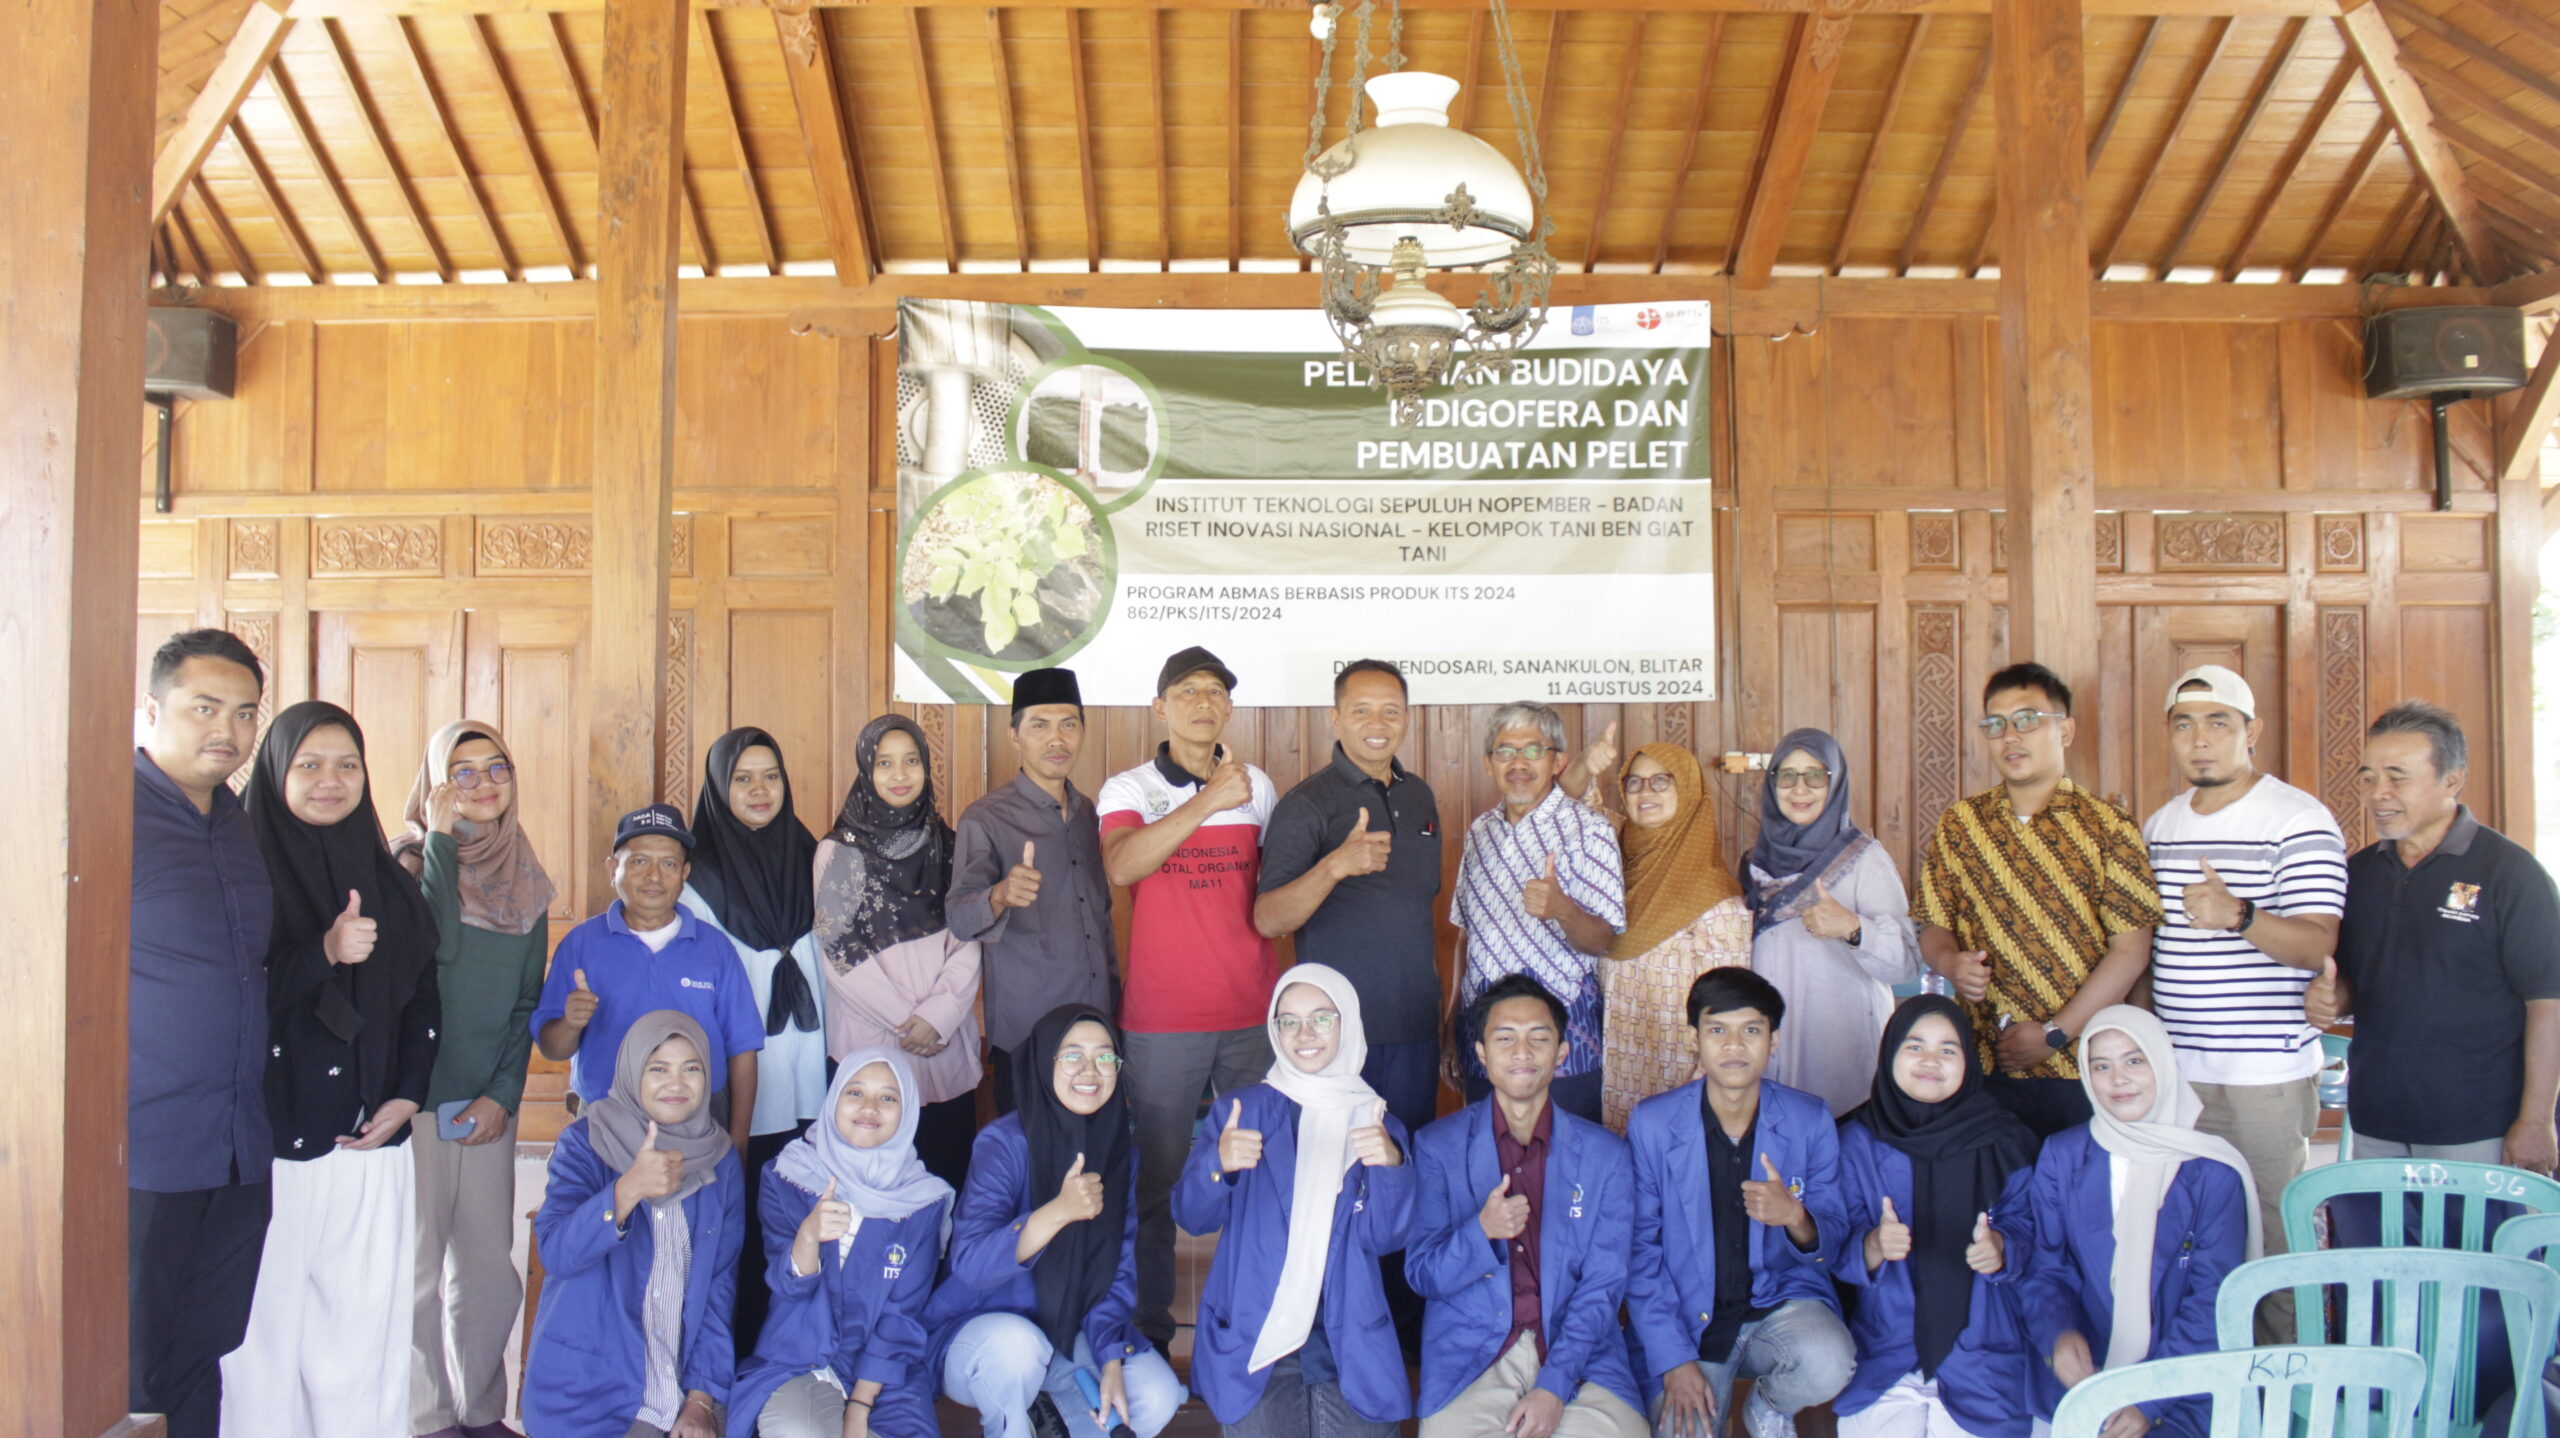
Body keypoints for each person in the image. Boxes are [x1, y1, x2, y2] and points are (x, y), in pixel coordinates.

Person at [223, 700, 444, 1438]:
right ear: (277, 770)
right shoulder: (240, 873)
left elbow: (421, 999)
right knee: (264, 1336)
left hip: (371, 1140)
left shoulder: (393, 883)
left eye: (347, 764)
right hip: (272, 1146)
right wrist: (321, 952)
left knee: (364, 1331)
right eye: (309, 765)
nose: (330, 780)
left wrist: (409, 1095)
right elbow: (231, 993)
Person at [2137, 666, 2344, 1344]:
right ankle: (2222, 1394)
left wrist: (2240, 915)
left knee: (2275, 1242)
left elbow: (2319, 944)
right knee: (2201, 1240)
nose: (2200, 741)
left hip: (2265, 1077)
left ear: (2251, 731)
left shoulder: (2297, 818)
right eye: (2184, 724)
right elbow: (2151, 951)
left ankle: (2295, 1391)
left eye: (2218, 722)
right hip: (2181, 1074)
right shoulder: (2161, 826)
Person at [1097, 645, 1284, 1352]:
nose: (1203, 703)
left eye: (1215, 692)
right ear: (1160, 707)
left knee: (1254, 1176)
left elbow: (1276, 888)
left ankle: (1249, 1320)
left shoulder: (1258, 785)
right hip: (1161, 1023)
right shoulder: (1128, 788)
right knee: (1157, 1186)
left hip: (1249, 1017)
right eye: (1187, 691)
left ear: (1229, 707)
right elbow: (1122, 866)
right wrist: (1207, 800)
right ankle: (1147, 1329)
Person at [1255, 658, 1443, 1354]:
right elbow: (1270, 917)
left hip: (1413, 1033)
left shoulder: (1421, 798)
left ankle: (1399, 1335)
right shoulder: (1308, 805)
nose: (1377, 723)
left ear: (1406, 718)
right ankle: (1333, 1335)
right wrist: (1336, 864)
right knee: (1336, 1188)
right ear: (1334, 719)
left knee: (1402, 1182)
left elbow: (1416, 919)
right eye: (1361, 710)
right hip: (1330, 1046)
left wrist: (1440, 1010)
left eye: (1390, 710)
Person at [2308, 700, 2560, 1172]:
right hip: (2377, 1120)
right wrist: (2331, 999)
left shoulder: (2510, 873)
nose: (2377, 793)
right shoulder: (2358, 874)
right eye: (2367, 777)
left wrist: (2535, 1121)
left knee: (2476, 1248)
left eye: (2397, 777)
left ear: (2452, 780)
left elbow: (2549, 1001)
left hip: (2480, 1126)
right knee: (2378, 1247)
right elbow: (2352, 983)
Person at [128, 628, 274, 1438]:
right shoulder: (104, 811)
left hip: (234, 1146)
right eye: (204, 707)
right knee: (129, 1371)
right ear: (153, 709)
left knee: (201, 1353)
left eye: (245, 712)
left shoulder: (236, 822)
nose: (227, 729)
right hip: (141, 1149)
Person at [391, 720, 555, 1438]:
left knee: (489, 1268)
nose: (484, 784)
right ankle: (429, 1418)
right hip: (414, 1098)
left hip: (486, 1101)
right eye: (463, 771)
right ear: (435, 783)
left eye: (496, 769)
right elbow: (436, 951)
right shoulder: (405, 865)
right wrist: (438, 841)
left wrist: (503, 1095)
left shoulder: (526, 875)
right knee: (419, 1267)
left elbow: (528, 1002)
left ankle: (481, 1410)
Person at [1915, 662, 2162, 1137]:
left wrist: (2054, 1033)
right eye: (1995, 724)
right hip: (1984, 1061)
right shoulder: (1961, 824)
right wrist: (1951, 963)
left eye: (2028, 720)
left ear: (2065, 730)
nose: (2010, 736)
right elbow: (1933, 926)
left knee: (2077, 1199)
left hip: (2086, 1064)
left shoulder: (2109, 827)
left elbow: (2131, 951)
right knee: (1996, 1201)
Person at [1174, 966, 1418, 1437]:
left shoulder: (1375, 1118)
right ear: (1274, 1028)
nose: (1304, 1034)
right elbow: (1191, 1216)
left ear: (1346, 1022)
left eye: (1321, 1019)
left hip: (1347, 1342)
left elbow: (1385, 1237)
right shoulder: (1241, 1112)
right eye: (1289, 1021)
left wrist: (1390, 1166)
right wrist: (1218, 1165)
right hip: (1257, 1341)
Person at [1405, 974, 1647, 1438]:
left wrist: (1555, 1385)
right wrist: (1481, 1231)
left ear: (1560, 1053)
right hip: (1471, 1357)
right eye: (1505, 1038)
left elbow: (1604, 1285)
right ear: (1481, 1054)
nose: (1522, 1052)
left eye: (1539, 1038)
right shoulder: (1437, 1147)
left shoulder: (1606, 1156)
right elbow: (1422, 1274)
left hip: (1580, 1356)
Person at [928, 1004, 1186, 1438]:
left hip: (1068, 1335)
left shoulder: (1121, 1153)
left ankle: (1053, 1422)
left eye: (1105, 1056)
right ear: (1045, 1062)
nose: (1091, 1069)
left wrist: (1109, 1359)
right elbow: (970, 1264)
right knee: (1017, 1347)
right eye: (1072, 1055)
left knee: (1155, 1394)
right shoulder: (1005, 1143)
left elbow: (1116, 1274)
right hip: (981, 1335)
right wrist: (1055, 1213)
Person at [1627, 968, 1852, 1438]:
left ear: (1773, 1041)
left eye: (1751, 1030)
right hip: (1691, 1324)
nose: (1734, 1046)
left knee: (1831, 1361)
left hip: (1780, 1308)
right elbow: (1638, 1253)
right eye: (1717, 1030)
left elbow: (1837, 1234)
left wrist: (1796, 1217)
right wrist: (1672, 1360)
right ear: (1696, 1040)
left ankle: (1768, 1406)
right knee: (1679, 1429)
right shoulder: (1652, 1123)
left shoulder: (1808, 1119)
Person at [2015, 1007, 2258, 1438]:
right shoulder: (2063, 1156)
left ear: (2163, 1063)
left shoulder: (2214, 1171)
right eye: (2101, 1066)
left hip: (2183, 1385)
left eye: (2135, 1060)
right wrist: (2059, 1334)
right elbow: (2045, 1268)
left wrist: (2148, 1396)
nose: (2119, 1079)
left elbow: (2213, 1302)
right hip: (2083, 1379)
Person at [522, 1013, 745, 1438]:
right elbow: (556, 1252)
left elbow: (720, 1288)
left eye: (691, 1069)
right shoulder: (587, 1142)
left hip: (676, 1395)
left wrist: (700, 1400)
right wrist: (626, 1191)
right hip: (589, 1392)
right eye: (657, 1068)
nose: (676, 1084)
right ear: (631, 1070)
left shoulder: (719, 1158)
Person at [1832, 996, 2040, 1438]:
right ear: (1889, 1053)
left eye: (1948, 1049)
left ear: (1969, 1060)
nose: (1931, 1061)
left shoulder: (2007, 1141)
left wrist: (2002, 1249)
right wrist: (1872, 1245)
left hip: (1983, 1356)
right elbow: (1832, 1242)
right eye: (1915, 1046)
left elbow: (2036, 1237)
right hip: (1887, 1354)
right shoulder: (1856, 1142)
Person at [684, 727, 826, 1357]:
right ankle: (734, 1365)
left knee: (805, 1222)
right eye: (742, 777)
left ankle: (799, 1357)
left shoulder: (812, 856)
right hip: (746, 1085)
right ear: (719, 788)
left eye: (770, 775)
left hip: (814, 1078)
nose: (760, 789)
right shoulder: (698, 879)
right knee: (742, 1225)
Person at [727, 1049, 954, 1438]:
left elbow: (902, 1316)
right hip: (798, 1359)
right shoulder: (790, 1174)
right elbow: (787, 1285)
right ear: (832, 1100)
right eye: (855, 1093)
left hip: (883, 1375)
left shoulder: (923, 1201)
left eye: (888, 1097)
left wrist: (860, 1407)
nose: (869, 1107)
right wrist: (808, 1235)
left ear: (908, 1112)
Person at [532, 804, 764, 1148]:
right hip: (605, 1120)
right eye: (639, 861)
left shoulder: (715, 949)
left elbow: (742, 1049)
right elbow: (552, 1049)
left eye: (668, 864)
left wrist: (739, 1140)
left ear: (685, 873)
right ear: (613, 869)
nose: (654, 876)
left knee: (697, 1203)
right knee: (608, 1203)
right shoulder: (580, 945)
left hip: (698, 1121)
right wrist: (570, 1022)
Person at [815, 715, 980, 1189]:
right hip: (874, 1044)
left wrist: (940, 1015)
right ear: (867, 770)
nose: (900, 774)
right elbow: (838, 950)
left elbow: (969, 935)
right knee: (870, 1189)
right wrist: (911, 1022)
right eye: (885, 763)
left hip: (942, 1044)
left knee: (946, 1181)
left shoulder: (951, 846)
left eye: (911, 761)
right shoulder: (840, 851)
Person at [947, 666, 1115, 1113]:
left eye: (1068, 724)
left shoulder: (1088, 814)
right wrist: (999, 895)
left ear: (1082, 731)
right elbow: (960, 918)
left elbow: (1102, 920)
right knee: (1026, 1168)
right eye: (1039, 725)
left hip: (1095, 1032)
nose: (1056, 739)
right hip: (1028, 1035)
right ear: (1015, 735)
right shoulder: (986, 818)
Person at [1448, 702, 1626, 1123]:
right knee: (1488, 1165)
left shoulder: (1589, 829)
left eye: (1534, 750)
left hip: (1565, 1037)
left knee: (1567, 1167)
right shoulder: (1480, 832)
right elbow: (1465, 938)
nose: (1519, 763)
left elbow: (1603, 939)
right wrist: (1450, 1026)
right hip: (1483, 1035)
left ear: (1558, 761)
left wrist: (1562, 908)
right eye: (1506, 751)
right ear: (1488, 762)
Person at [1743, 728, 1919, 1117]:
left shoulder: (1863, 858)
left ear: (1835, 782)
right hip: (1772, 1051)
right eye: (1787, 775)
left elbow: (1906, 963)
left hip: (1841, 1052)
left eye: (1816, 776)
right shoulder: (1752, 863)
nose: (1800, 788)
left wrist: (1854, 929)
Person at [1595, 741, 1753, 1132]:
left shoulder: (1716, 900)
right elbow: (1574, 808)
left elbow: (1729, 1013)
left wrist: (1706, 1099)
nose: (1646, 792)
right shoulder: (1615, 865)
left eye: (1661, 781)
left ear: (1687, 791)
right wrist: (1586, 764)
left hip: (1681, 1093)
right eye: (1634, 783)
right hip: (1611, 1086)